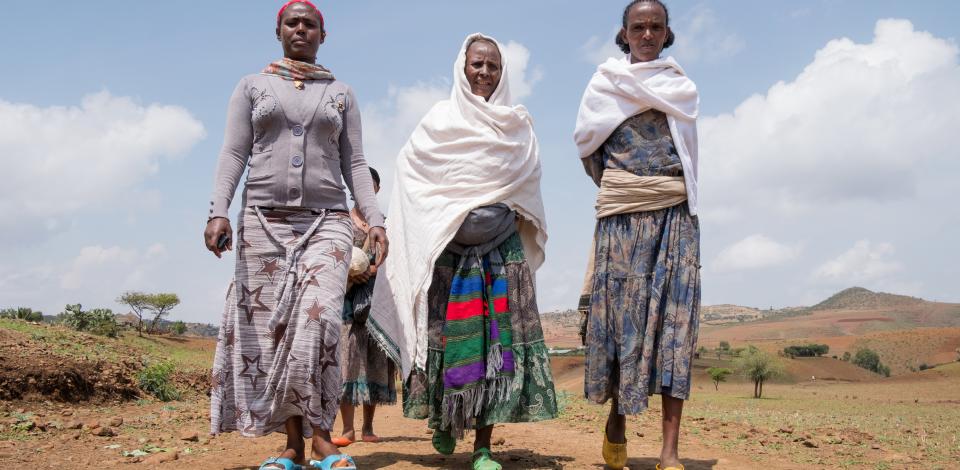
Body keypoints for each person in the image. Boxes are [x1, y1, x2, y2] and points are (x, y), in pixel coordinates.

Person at [204, 1, 388, 469]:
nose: (301, 29)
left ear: (323, 36)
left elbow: (355, 163)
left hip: (326, 221)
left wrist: (376, 219)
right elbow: (233, 152)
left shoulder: (341, 93)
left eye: (311, 24)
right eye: (293, 22)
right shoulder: (252, 86)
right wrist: (218, 211)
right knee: (275, 331)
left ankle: (323, 438)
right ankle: (292, 445)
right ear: (278, 31)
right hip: (262, 222)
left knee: (320, 320)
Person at [368, 33, 557, 470]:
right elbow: (411, 174)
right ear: (462, 67)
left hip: (501, 253)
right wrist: (442, 220)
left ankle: (484, 448)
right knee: (445, 340)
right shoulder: (438, 121)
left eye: (493, 66)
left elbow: (527, 186)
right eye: (477, 64)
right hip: (447, 253)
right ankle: (445, 421)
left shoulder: (517, 126)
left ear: (502, 73)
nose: (485, 72)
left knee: (496, 345)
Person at [573, 1, 700, 470]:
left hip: (675, 218)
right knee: (621, 326)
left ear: (667, 34)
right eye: (638, 26)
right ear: (623, 35)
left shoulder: (681, 88)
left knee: (676, 328)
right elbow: (589, 148)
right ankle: (617, 422)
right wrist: (627, 191)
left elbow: (687, 155)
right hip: (623, 219)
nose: (647, 33)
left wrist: (656, 190)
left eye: (656, 26)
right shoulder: (605, 85)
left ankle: (670, 451)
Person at [332, 167, 396, 447]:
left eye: (370, 187)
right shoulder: (339, 222)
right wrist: (348, 271)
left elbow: (393, 261)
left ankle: (368, 427)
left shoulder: (385, 225)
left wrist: (372, 270)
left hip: (376, 301)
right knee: (346, 361)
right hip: (345, 301)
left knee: (374, 361)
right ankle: (347, 429)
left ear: (377, 190)